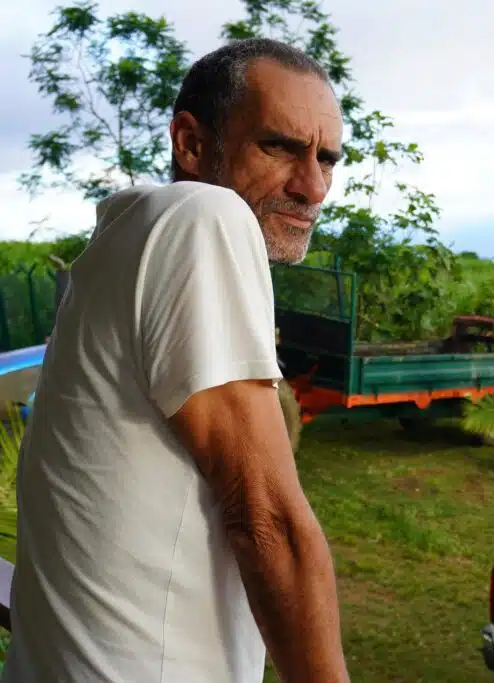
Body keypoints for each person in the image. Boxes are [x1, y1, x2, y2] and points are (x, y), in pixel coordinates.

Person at [2, 39, 349, 683]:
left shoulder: (127, 235)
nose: (314, 186)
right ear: (190, 143)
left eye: (327, 158)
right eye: (279, 147)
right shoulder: (203, 215)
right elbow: (266, 519)